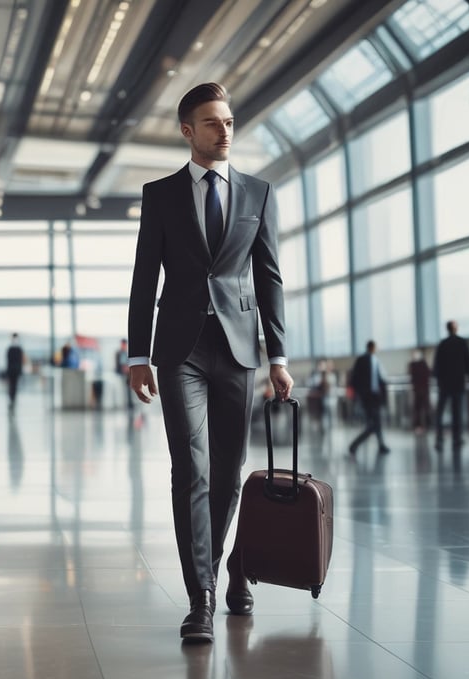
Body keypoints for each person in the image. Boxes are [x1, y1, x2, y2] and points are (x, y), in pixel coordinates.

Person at [127, 82, 293, 642]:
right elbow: (144, 277)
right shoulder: (161, 195)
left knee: (228, 471)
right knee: (190, 468)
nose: (225, 130)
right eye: (213, 122)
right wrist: (137, 354)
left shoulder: (258, 193)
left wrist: (279, 356)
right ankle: (200, 596)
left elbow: (268, 277)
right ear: (187, 131)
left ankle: (230, 566)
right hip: (179, 351)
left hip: (240, 349)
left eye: (229, 121)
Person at [433, 320, 469, 451]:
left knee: (440, 412)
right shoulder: (462, 343)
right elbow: (468, 362)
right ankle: (457, 438)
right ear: (455, 329)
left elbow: (436, 364)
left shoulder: (442, 344)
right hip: (458, 383)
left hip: (444, 384)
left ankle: (439, 438)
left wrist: (438, 380)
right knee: (457, 412)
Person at [347, 340, 390, 457]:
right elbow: (355, 379)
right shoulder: (362, 360)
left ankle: (381, 445)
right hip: (366, 397)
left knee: (376, 423)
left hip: (375, 397)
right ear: (372, 347)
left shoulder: (376, 361)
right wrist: (359, 395)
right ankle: (354, 445)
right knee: (372, 425)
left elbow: (380, 379)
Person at [408, 349, 431, 433]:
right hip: (419, 390)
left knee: (423, 408)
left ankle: (424, 425)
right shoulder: (415, 364)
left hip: (421, 390)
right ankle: (421, 426)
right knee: (419, 409)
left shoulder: (415, 364)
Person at [6, 333, 25, 411]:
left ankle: (13, 397)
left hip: (16, 370)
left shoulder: (19, 349)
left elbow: (20, 361)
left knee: (14, 384)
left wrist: (20, 370)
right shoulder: (10, 349)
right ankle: (11, 397)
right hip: (11, 371)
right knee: (11, 385)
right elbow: (8, 361)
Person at [115, 338, 133, 410]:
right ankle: (129, 403)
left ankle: (130, 402)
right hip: (121, 373)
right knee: (128, 384)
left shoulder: (125, 353)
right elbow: (122, 366)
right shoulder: (120, 353)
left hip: (126, 373)